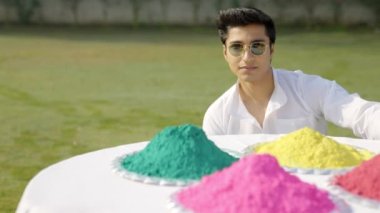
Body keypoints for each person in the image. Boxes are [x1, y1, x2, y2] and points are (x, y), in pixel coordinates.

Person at [202, 7, 380, 140]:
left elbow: (361, 113)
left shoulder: (308, 89)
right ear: (225, 52)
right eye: (236, 47)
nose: (247, 57)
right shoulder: (218, 116)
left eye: (257, 46)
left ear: (271, 50)